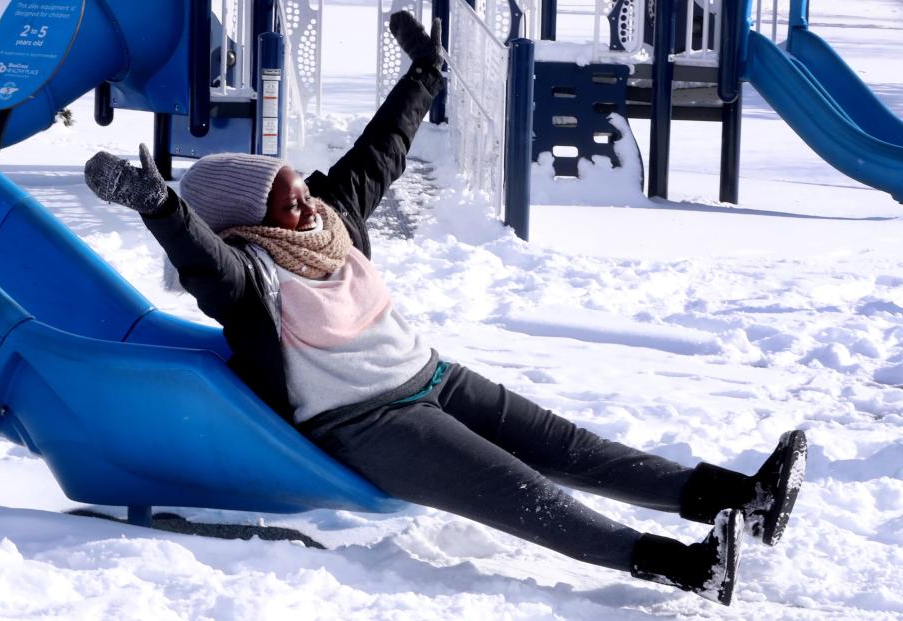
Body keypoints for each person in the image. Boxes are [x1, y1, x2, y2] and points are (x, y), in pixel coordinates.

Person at [83, 12, 807, 606]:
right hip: (369, 423)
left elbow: (381, 152)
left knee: (573, 448)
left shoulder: (332, 224)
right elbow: (202, 260)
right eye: (282, 196)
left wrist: (426, 72)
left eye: (294, 181)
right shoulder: (252, 280)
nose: (302, 197)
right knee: (522, 493)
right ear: (249, 219)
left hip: (435, 377)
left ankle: (744, 497)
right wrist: (160, 205)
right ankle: (687, 566)